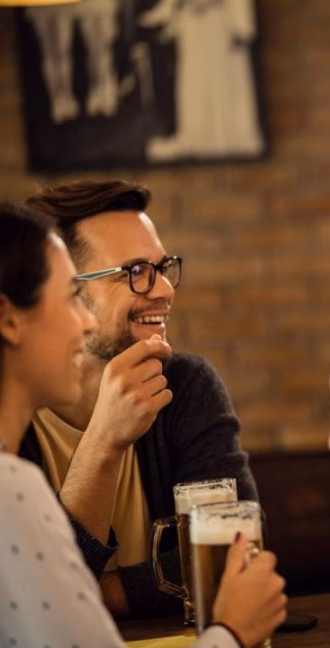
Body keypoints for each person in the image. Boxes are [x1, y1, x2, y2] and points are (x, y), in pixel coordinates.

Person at [0, 202, 285, 648]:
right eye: (135, 271)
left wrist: (96, 591)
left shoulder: (185, 386)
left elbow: (238, 555)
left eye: (163, 268)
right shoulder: (12, 481)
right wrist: (103, 441)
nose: (165, 289)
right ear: (9, 318)